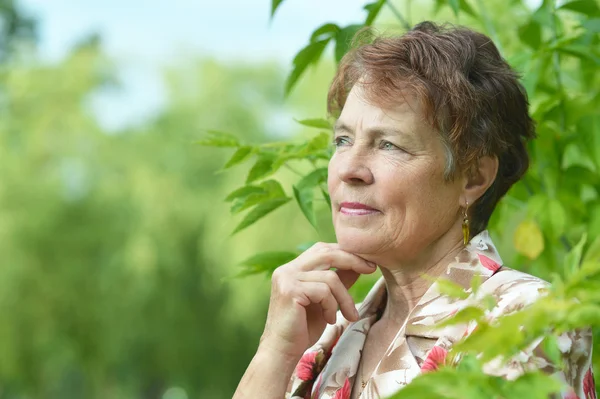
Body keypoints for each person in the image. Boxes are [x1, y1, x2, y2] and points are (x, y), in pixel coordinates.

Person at [232, 21, 595, 399]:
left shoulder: (525, 318)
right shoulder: (330, 334)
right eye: (343, 140)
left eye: (388, 144)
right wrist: (274, 351)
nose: (349, 169)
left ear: (471, 179)